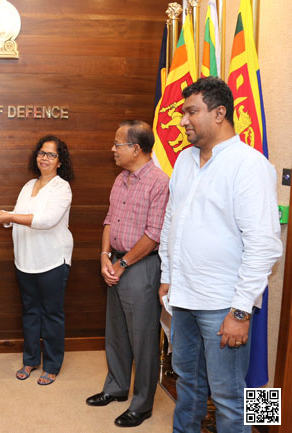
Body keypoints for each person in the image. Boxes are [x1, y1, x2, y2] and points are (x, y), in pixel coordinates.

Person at [158, 77, 282, 432]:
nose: (182, 121)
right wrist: (168, 276)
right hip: (183, 299)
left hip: (224, 305)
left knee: (230, 397)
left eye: (191, 112)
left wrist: (241, 311)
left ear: (219, 113)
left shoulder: (249, 165)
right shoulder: (183, 160)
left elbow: (264, 244)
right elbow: (172, 222)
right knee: (188, 385)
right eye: (183, 112)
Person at [85, 120, 169, 428]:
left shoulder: (160, 182)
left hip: (141, 267)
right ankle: (116, 388)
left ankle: (142, 403)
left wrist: (122, 264)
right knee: (117, 333)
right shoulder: (121, 178)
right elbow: (109, 220)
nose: (113, 149)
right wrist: (105, 256)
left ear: (136, 148)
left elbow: (154, 233)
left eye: (117, 144)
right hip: (116, 263)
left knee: (143, 338)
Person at [0, 135, 74, 386]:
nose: (45, 158)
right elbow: (17, 216)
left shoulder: (62, 187)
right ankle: (30, 359)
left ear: (60, 161)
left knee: (51, 314)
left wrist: (11, 217)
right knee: (30, 313)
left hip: (52, 261)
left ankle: (52, 365)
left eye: (51, 154)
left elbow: (46, 221)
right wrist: (3, 217)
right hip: (25, 261)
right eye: (41, 153)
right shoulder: (28, 185)